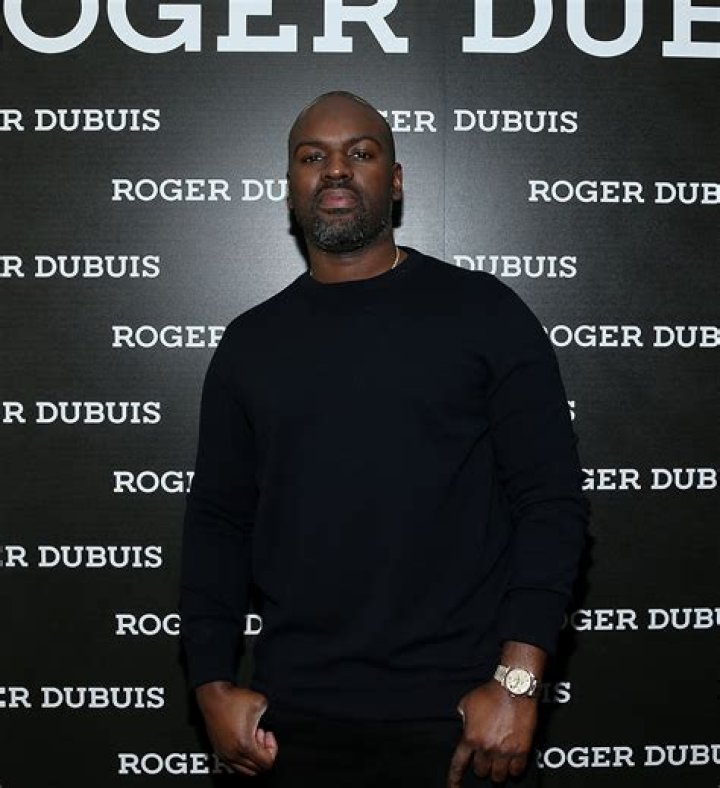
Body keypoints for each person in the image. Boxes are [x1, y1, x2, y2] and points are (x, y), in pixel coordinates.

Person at [180, 91, 588, 787]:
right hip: (290, 726)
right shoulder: (250, 343)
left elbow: (551, 502)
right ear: (290, 187)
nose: (336, 169)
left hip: (462, 720)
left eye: (360, 153)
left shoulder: (485, 313)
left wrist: (517, 681)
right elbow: (218, 522)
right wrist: (212, 681)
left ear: (394, 182)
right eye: (313, 157)